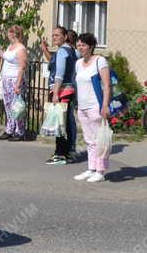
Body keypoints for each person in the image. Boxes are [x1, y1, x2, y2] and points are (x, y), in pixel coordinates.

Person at [73, 32, 111, 183]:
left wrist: (105, 105)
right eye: (78, 45)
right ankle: (91, 168)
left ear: (91, 46)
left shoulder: (100, 61)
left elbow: (107, 85)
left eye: (83, 45)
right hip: (82, 106)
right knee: (89, 140)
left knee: (99, 140)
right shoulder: (78, 63)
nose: (80, 47)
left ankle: (100, 171)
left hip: (95, 105)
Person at [41, 26, 77, 165]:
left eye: (57, 35)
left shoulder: (62, 51)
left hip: (62, 90)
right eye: (53, 35)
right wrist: (45, 50)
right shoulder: (71, 51)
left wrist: (55, 93)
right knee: (65, 123)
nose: (54, 38)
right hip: (69, 90)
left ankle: (60, 153)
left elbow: (59, 75)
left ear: (65, 36)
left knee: (59, 122)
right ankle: (67, 152)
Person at [0, 25, 28, 141]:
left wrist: (18, 84)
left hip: (14, 80)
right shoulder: (10, 47)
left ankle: (20, 131)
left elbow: (22, 67)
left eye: (8, 33)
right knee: (8, 105)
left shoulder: (20, 49)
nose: (7, 35)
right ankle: (10, 129)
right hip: (6, 79)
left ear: (13, 34)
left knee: (16, 106)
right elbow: (5, 56)